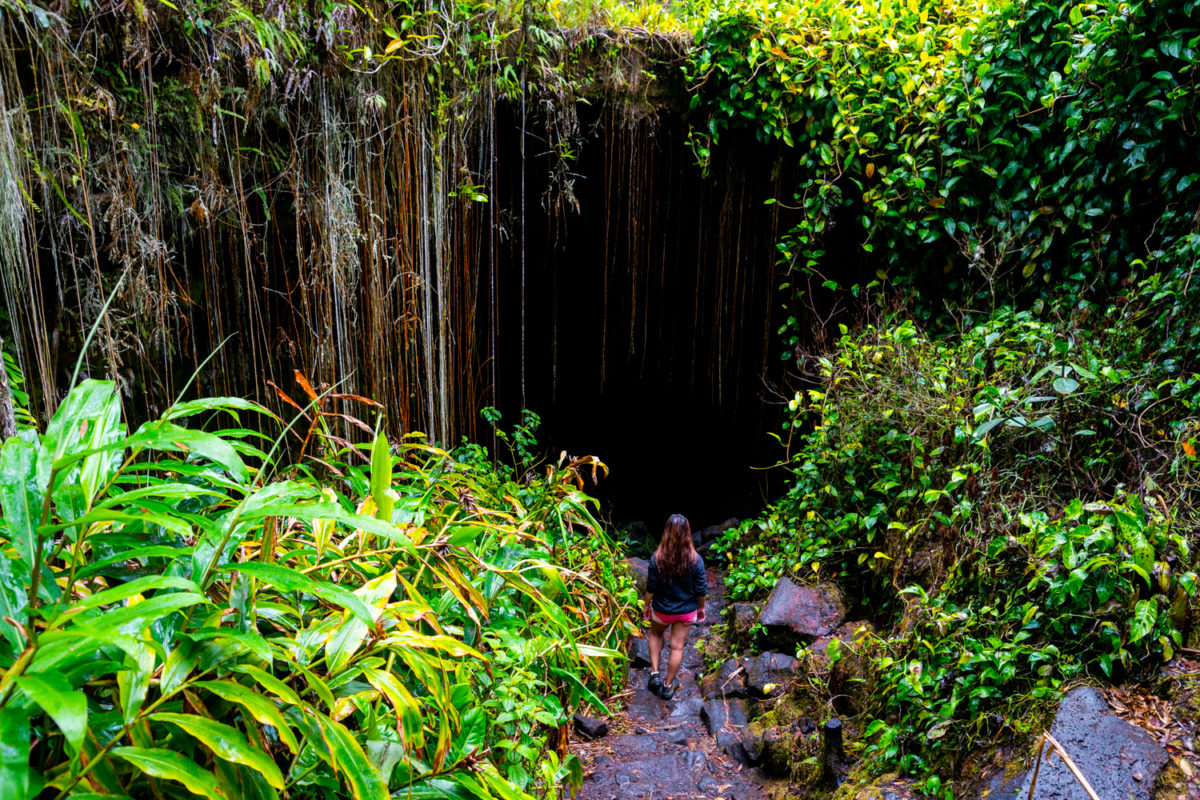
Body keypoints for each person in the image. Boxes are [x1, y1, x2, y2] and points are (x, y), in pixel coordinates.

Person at [642, 513, 707, 700]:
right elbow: (701, 589)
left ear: (667, 532)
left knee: (655, 633)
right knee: (677, 647)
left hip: (662, 610)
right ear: (687, 534)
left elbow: (651, 587)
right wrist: (701, 608)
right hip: (686, 611)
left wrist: (647, 606)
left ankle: (654, 674)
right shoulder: (696, 560)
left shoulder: (658, 558)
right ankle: (668, 686)